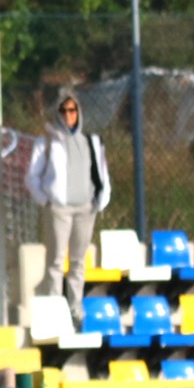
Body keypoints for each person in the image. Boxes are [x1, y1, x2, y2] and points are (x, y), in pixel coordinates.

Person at [26, 96, 110, 322]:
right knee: (55, 260)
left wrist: (99, 201)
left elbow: (102, 174)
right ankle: (54, 308)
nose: (68, 115)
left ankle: (75, 308)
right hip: (59, 209)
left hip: (85, 208)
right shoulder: (46, 142)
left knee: (78, 261)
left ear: (79, 113)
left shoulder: (91, 141)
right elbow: (32, 177)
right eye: (63, 110)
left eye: (72, 110)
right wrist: (47, 201)